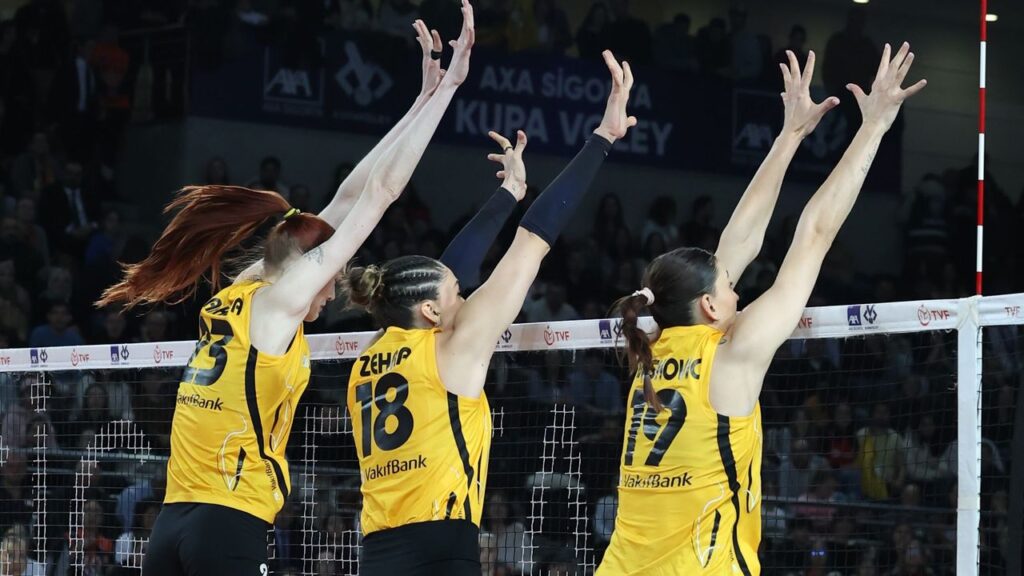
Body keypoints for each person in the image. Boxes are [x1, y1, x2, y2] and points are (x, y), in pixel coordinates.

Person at [95, 10, 475, 574]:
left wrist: (420, 100)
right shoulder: (281, 304)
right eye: (328, 281)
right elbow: (380, 193)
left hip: (173, 518)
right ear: (307, 270)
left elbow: (347, 197)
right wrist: (449, 90)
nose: (329, 295)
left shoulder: (244, 289)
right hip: (228, 519)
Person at [597, 44, 925, 575]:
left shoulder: (650, 351)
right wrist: (874, 127)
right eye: (730, 287)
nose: (738, 293)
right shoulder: (731, 354)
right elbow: (814, 234)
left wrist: (790, 134)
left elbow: (737, 242)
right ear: (708, 305)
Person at [343, 48, 636, 575]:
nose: (466, 296)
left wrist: (509, 193)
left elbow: (445, 274)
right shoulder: (454, 349)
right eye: (458, 295)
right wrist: (602, 138)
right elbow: (532, 241)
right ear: (430, 311)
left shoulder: (368, 359)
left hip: (376, 549)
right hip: (440, 546)